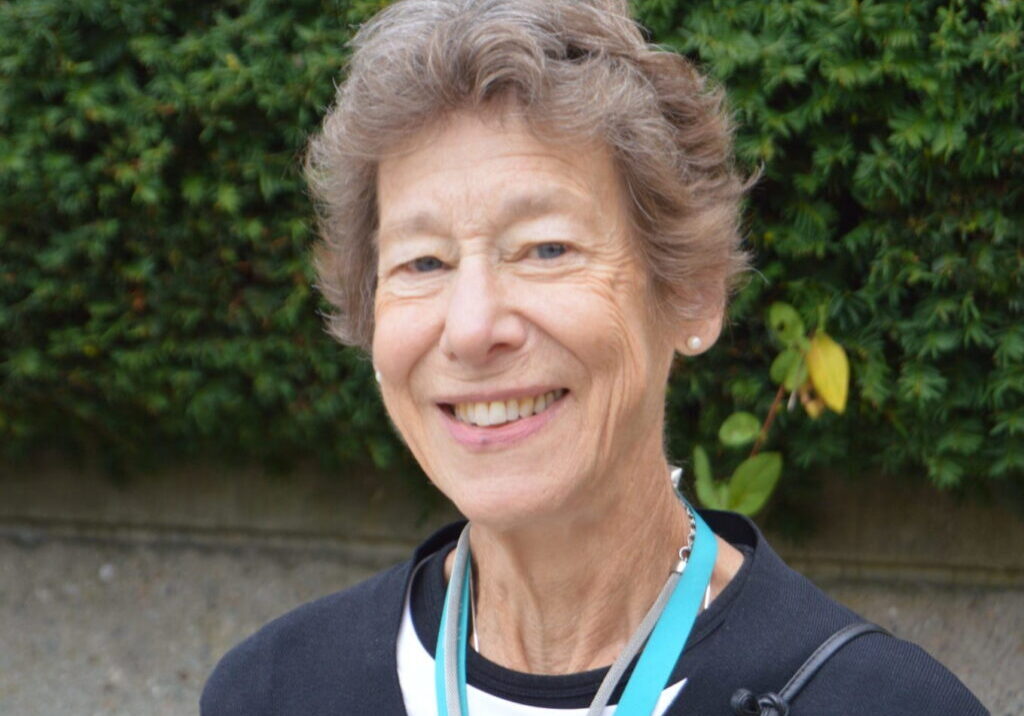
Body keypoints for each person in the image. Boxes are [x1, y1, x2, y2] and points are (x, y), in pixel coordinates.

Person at [201, 1, 987, 714]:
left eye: (545, 248)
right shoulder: (275, 691)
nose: (472, 328)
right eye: (423, 263)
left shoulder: (877, 704)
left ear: (691, 296)